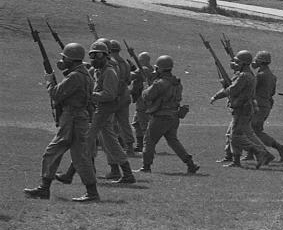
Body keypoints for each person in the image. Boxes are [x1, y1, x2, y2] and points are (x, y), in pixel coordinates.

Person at [24, 42, 101, 203]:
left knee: (53, 152)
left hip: (72, 119)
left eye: (65, 58)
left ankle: (44, 189)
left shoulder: (75, 77)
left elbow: (56, 94)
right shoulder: (83, 74)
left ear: (71, 60)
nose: (62, 61)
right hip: (77, 118)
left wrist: (49, 80)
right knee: (80, 157)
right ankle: (91, 193)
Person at [211, 50, 275, 169]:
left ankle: (259, 152)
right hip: (243, 109)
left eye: (237, 62)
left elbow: (233, 89)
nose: (234, 64)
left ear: (244, 63)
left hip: (242, 109)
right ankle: (237, 161)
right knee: (235, 134)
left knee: (235, 136)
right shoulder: (244, 75)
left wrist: (217, 95)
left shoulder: (244, 76)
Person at [86, 40, 137, 184]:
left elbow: (108, 92)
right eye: (93, 56)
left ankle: (76, 172)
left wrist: (92, 95)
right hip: (117, 102)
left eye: (98, 55)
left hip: (107, 106)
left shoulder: (109, 69)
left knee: (88, 139)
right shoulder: (117, 65)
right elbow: (127, 79)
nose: (95, 59)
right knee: (110, 139)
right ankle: (126, 172)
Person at [138, 55, 199, 174]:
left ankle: (146, 166)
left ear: (160, 69)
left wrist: (148, 85)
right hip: (174, 116)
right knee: (173, 141)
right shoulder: (177, 82)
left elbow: (146, 96)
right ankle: (190, 163)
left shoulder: (159, 83)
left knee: (149, 141)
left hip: (161, 117)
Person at [248, 51, 283, 163]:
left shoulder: (261, 75)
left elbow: (251, 89)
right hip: (265, 105)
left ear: (260, 62)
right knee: (253, 130)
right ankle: (251, 154)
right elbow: (272, 92)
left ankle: (279, 148)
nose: (254, 62)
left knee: (252, 131)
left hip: (259, 106)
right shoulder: (272, 76)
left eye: (256, 60)